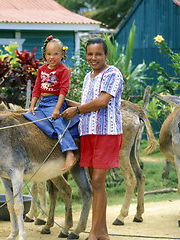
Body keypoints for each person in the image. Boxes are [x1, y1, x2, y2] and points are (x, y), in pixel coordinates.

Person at [62, 37, 124, 240]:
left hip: (107, 132)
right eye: (90, 54)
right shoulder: (89, 77)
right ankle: (102, 233)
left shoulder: (113, 73)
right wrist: (61, 101)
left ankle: (94, 233)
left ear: (106, 55)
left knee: (97, 181)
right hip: (87, 132)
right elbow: (88, 103)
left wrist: (77, 109)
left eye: (98, 54)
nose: (94, 58)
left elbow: (102, 101)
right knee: (95, 183)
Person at [22, 35, 78, 171]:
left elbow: (63, 92)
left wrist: (57, 109)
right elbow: (36, 89)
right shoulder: (42, 69)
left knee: (57, 122)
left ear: (62, 54)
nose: (51, 57)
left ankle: (70, 151)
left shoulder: (63, 70)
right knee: (27, 117)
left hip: (55, 101)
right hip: (42, 102)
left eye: (55, 54)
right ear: (44, 55)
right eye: (48, 54)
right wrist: (31, 106)